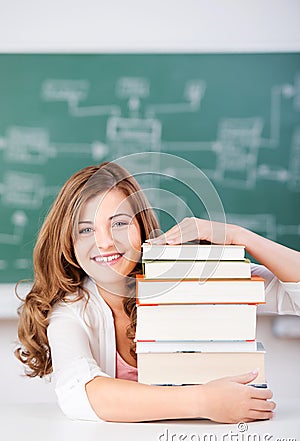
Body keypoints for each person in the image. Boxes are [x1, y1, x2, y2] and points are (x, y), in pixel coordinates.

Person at [15, 161, 300, 424]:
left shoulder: (186, 276)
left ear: (141, 227)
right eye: (86, 229)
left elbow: (294, 294)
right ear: (69, 244)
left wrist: (239, 236)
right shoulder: (71, 310)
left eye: (119, 223)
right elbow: (79, 394)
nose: (104, 242)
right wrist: (203, 402)